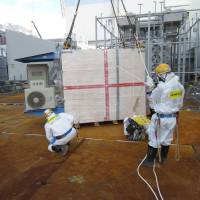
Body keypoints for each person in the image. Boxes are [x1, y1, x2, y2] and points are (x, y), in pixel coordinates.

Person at [142, 63, 185, 167]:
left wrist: (149, 88)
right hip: (172, 118)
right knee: (167, 138)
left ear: (162, 75)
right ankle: (163, 158)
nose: (158, 78)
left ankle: (149, 161)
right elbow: (178, 102)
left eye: (158, 76)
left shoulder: (162, 87)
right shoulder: (180, 86)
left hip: (161, 118)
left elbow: (152, 102)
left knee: (153, 138)